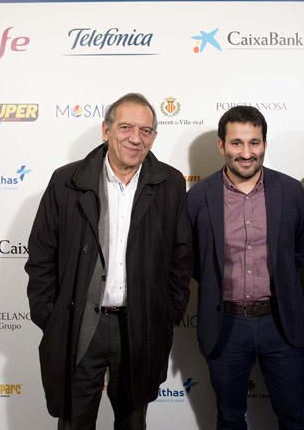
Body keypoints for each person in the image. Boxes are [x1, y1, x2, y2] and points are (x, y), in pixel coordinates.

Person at [25, 92, 192, 430]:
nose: (135, 137)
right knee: (75, 422)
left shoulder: (170, 183)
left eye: (146, 131)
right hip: (82, 325)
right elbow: (42, 255)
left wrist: (166, 313)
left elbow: (181, 256)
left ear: (154, 137)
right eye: (126, 127)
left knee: (133, 422)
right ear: (106, 130)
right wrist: (53, 316)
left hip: (140, 325)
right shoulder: (67, 181)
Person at [187, 106, 304, 430]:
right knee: (229, 419)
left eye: (254, 143)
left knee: (295, 419)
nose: (246, 153)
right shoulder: (199, 196)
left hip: (280, 322)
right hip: (225, 326)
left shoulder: (290, 191)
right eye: (237, 143)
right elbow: (194, 261)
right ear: (221, 146)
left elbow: (302, 249)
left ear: (265, 144)